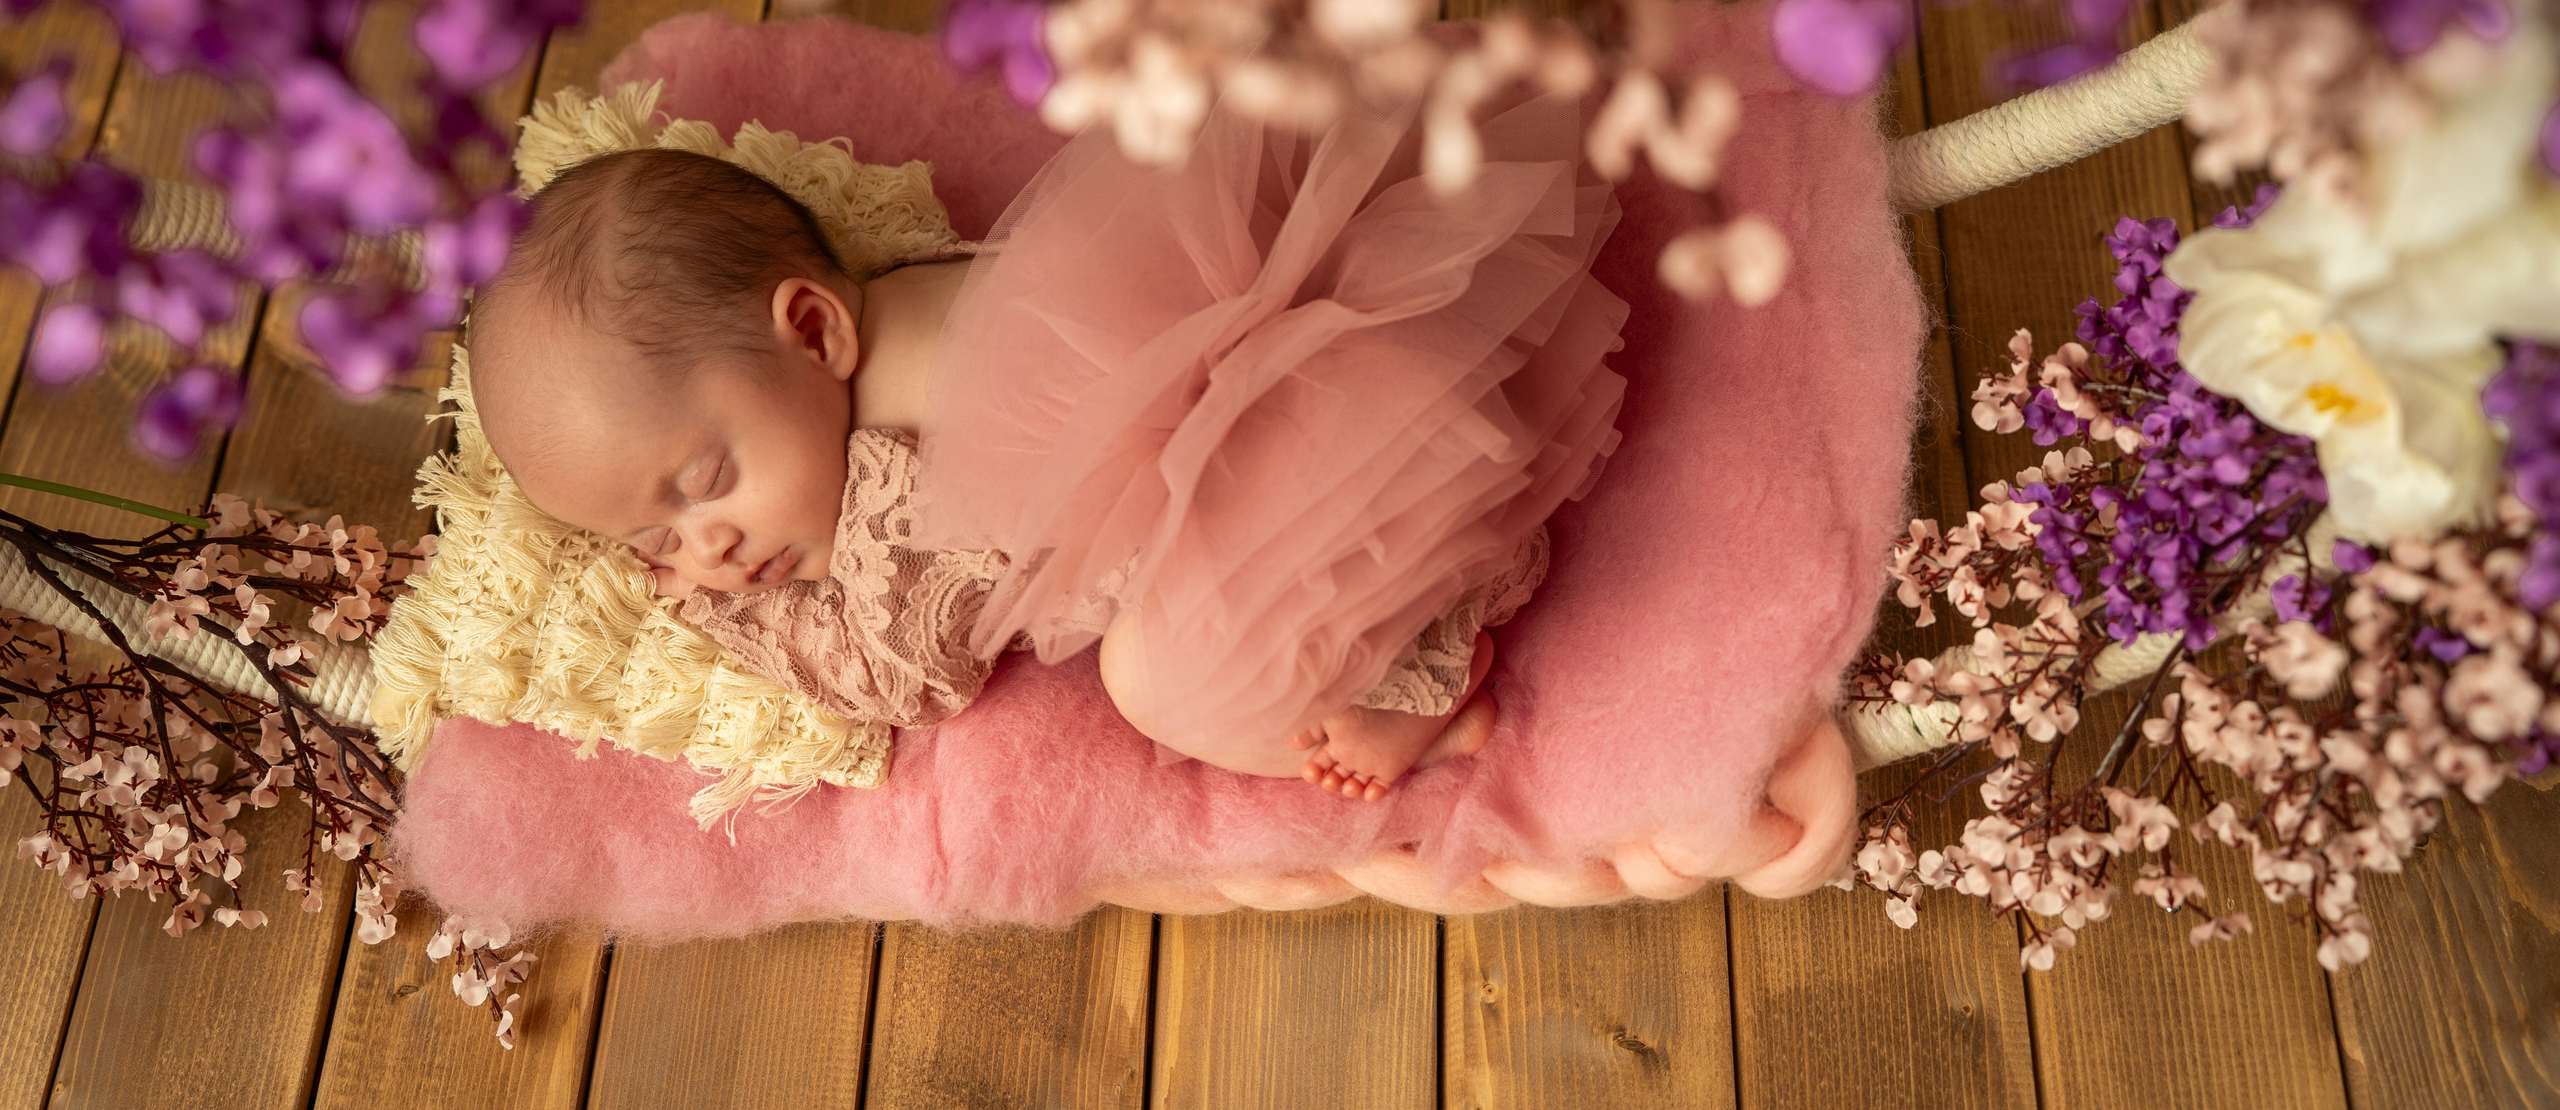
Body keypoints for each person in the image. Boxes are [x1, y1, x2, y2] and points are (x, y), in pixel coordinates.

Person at [466, 88, 1856, 874]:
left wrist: (739, 615)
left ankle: (1424, 696)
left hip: (1366, 487)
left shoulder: (890, 488)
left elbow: (898, 676)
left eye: (701, 488)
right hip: (1380, 368)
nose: (701, 546)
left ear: (814, 328)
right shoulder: (924, 298)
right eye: (653, 537)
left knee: (1170, 685)